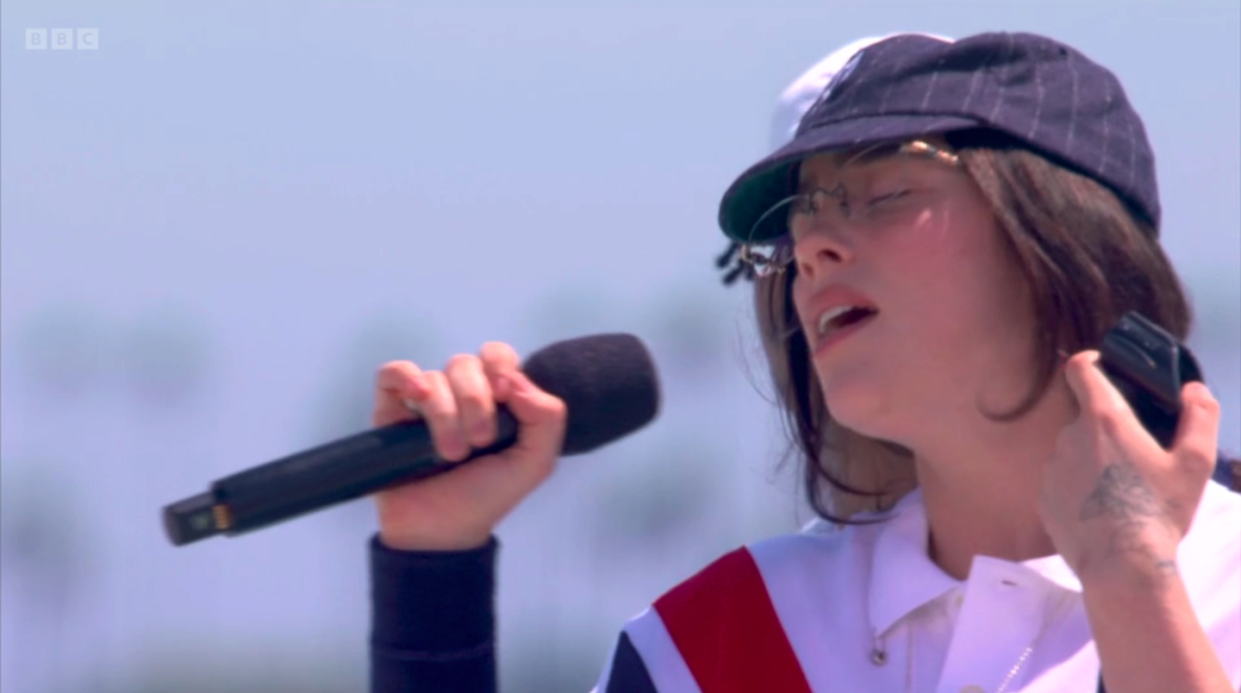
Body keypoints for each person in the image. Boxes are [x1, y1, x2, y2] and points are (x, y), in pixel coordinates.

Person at [367, 31, 1241, 693]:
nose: (814, 243)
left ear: (1062, 235)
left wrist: (1131, 580)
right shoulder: (712, 641)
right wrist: (432, 566)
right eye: (800, 220)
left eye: (887, 186)